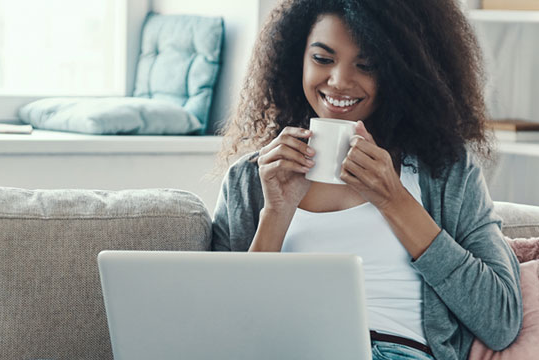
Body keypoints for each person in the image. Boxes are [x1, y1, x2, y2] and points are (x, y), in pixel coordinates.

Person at [211, 0, 522, 359]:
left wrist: (394, 200)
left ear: (403, 71)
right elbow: (224, 329)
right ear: (296, 58)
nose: (339, 81)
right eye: (323, 59)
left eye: (367, 65)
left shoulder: (445, 171)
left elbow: (501, 321)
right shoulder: (252, 179)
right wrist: (276, 213)